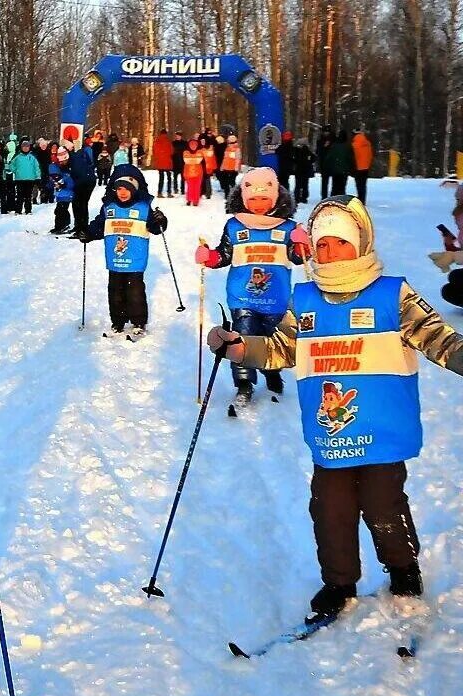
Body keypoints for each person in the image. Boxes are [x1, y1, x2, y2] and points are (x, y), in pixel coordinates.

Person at [207, 195, 463, 618]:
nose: (329, 252)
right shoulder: (304, 299)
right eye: (321, 244)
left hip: (383, 431)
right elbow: (277, 350)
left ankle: (403, 568)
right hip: (331, 433)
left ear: (359, 243)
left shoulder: (392, 293)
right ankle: (339, 582)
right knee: (329, 507)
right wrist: (238, 348)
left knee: (385, 504)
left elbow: (441, 341)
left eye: (339, 243)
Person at [195, 167, 309, 407]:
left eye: (264, 199)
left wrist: (302, 244)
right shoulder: (235, 226)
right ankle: (244, 384)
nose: (258, 205)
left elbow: (299, 258)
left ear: (275, 198)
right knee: (242, 340)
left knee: (271, 338)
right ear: (245, 199)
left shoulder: (287, 227)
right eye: (253, 199)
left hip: (276, 299)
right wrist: (209, 257)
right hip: (242, 298)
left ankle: (272, 372)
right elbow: (224, 255)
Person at [77, 164, 168, 340]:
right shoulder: (109, 208)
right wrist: (87, 233)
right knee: (115, 292)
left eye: (127, 189)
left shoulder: (143, 208)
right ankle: (117, 321)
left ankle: (138, 322)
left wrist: (160, 220)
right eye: (119, 188)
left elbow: (157, 229)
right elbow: (99, 226)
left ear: (135, 189)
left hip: (135, 260)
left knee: (135, 292)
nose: (123, 192)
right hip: (115, 259)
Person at [68, 139, 98, 236]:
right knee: (80, 204)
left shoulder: (74, 155)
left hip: (84, 180)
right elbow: (91, 163)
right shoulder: (83, 152)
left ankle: (82, 229)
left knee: (80, 204)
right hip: (88, 179)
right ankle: (79, 227)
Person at [8, 138, 41, 215]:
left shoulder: (32, 157)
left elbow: (37, 167)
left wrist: (38, 177)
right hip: (20, 179)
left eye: (27, 146)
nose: (25, 148)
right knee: (20, 196)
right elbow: (11, 165)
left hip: (30, 179)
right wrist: (16, 171)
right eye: (24, 146)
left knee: (28, 196)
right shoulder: (17, 156)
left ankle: (28, 210)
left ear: (29, 147)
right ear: (21, 147)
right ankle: (18, 210)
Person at [49, 147, 75, 235]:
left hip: (67, 194)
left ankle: (64, 225)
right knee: (58, 210)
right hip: (60, 194)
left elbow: (71, 182)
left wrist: (63, 184)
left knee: (61, 210)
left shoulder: (68, 171)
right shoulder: (59, 169)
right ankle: (58, 226)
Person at [351, 128, 374, 205]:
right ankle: (363, 199)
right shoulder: (367, 143)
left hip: (358, 166)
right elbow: (370, 155)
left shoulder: (354, 144)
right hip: (366, 166)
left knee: (358, 184)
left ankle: (359, 198)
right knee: (363, 184)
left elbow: (353, 156)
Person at [326, 131, 352, 196]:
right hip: (344, 170)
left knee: (334, 186)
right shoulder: (347, 147)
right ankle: (340, 200)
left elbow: (329, 158)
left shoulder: (334, 146)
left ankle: (333, 199)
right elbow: (350, 158)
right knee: (342, 187)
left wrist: (329, 167)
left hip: (335, 170)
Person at [182, 138, 206, 206]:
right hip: (188, 173)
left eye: (194, 145)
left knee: (197, 187)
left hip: (198, 173)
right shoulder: (185, 152)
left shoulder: (200, 152)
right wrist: (195, 159)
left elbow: (200, 161)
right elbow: (187, 161)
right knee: (190, 187)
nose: (193, 146)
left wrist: (192, 159)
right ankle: (189, 200)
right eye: (191, 145)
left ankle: (195, 200)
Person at [293, 138, 316, 205]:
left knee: (298, 185)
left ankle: (297, 197)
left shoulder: (296, 151)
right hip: (306, 170)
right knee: (305, 185)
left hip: (298, 170)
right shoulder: (308, 151)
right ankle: (304, 198)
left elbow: (294, 159)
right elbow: (313, 158)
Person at [152, 130, 174, 198]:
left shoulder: (156, 141)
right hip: (167, 162)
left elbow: (154, 152)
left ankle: (159, 192)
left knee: (161, 178)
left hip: (160, 163)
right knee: (169, 178)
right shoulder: (168, 141)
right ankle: (169, 192)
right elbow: (172, 151)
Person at [33, 138, 54, 203]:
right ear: (40, 145)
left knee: (44, 185)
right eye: (42, 145)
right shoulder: (37, 152)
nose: (44, 147)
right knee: (37, 185)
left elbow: (49, 162)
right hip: (38, 170)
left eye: (45, 145)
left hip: (46, 170)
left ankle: (43, 198)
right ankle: (34, 198)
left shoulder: (48, 152)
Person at [316, 130, 334, 199]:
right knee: (324, 182)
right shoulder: (321, 140)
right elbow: (318, 152)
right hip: (324, 164)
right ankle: (324, 196)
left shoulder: (332, 140)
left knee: (330, 182)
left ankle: (329, 195)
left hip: (329, 163)